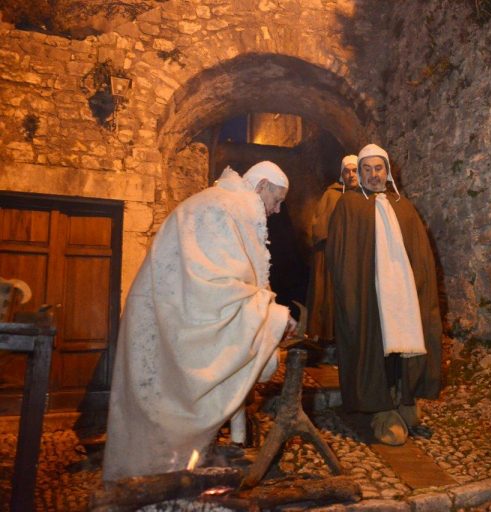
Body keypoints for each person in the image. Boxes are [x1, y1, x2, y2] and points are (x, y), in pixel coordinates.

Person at [103, 161, 297, 481]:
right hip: (172, 315)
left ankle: (163, 472)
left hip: (163, 309)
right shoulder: (229, 209)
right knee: (170, 408)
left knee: (161, 407)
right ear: (262, 186)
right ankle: (157, 477)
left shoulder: (221, 203)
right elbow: (216, 294)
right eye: (277, 200)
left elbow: (227, 282)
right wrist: (275, 317)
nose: (277, 210)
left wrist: (267, 313)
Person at [326, 144, 441, 446]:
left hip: (403, 295)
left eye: (378, 168)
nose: (373, 174)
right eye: (367, 169)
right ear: (360, 172)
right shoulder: (349, 205)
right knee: (375, 346)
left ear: (387, 171)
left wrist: (420, 287)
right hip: (370, 293)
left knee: (406, 345)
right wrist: (352, 292)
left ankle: (405, 401)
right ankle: (382, 411)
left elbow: (420, 253)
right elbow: (339, 255)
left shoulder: (403, 206)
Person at [306, 155, 359, 341]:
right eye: (347, 171)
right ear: (341, 175)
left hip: (357, 258)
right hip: (335, 256)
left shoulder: (366, 196)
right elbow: (320, 228)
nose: (351, 175)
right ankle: (328, 339)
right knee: (331, 298)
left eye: (355, 170)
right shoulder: (332, 195)